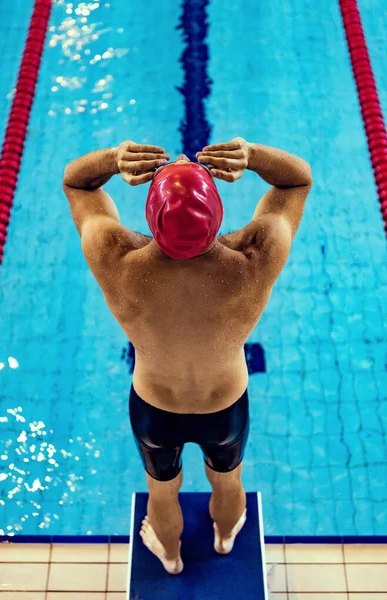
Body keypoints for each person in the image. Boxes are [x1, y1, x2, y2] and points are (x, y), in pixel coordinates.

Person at [63, 137, 312, 575]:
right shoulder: (254, 257)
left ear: (151, 218)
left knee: (161, 492)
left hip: (155, 408)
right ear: (216, 215)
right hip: (225, 406)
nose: (180, 157)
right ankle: (225, 535)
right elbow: (297, 181)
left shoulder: (116, 258)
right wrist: (252, 155)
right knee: (228, 479)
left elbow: (77, 185)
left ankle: (171, 557)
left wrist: (112, 159)